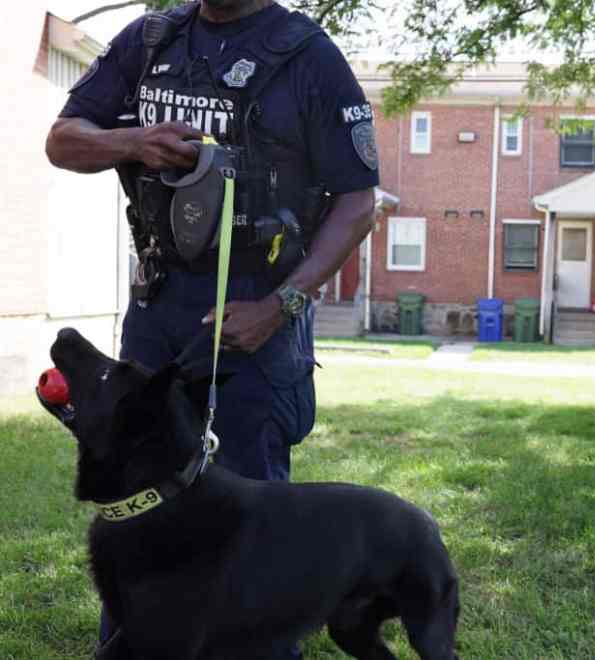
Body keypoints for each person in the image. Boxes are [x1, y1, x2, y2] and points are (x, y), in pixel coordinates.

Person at [45, 1, 379, 657]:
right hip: (156, 312)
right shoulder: (149, 39)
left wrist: (283, 305)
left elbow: (358, 202)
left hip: (255, 318)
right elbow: (62, 139)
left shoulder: (306, 56)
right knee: (135, 505)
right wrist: (132, 141)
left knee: (250, 532)